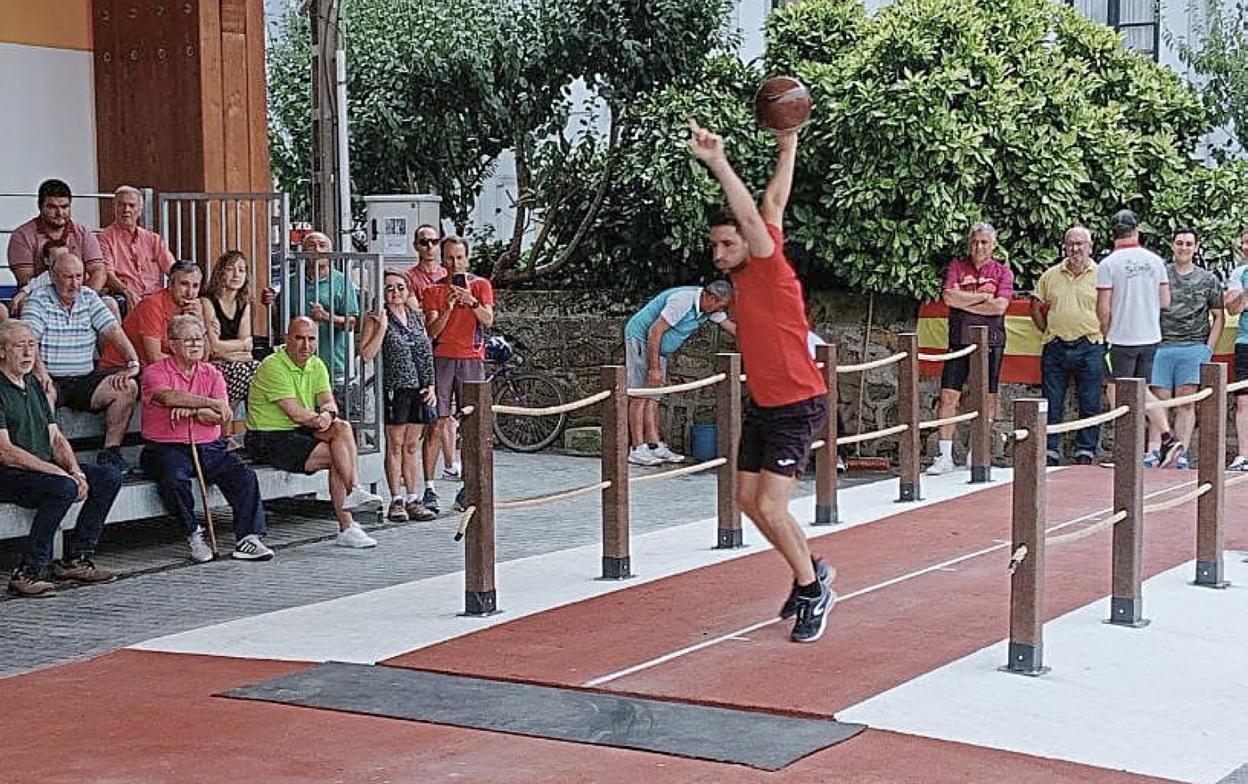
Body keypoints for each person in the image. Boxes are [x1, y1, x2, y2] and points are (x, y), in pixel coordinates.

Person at [689, 118, 834, 644]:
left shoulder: (769, 265)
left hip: (798, 403)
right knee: (748, 502)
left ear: (747, 243)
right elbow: (774, 200)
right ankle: (809, 570)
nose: (718, 255)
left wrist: (718, 162)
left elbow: (753, 212)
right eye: (715, 247)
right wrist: (789, 143)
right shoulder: (755, 256)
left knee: (771, 506)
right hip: (764, 403)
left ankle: (814, 589)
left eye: (727, 245)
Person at [0, 319, 122, 598]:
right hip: (8, 471)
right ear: (2, 351)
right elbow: (5, 451)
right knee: (62, 487)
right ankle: (28, 571)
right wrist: (58, 474)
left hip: (39, 468)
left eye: (32, 346)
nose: (28, 353)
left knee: (107, 477)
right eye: (20, 346)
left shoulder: (33, 384)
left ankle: (76, 558)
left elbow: (55, 436)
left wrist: (75, 470)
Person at [140, 316, 272, 563]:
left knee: (243, 476)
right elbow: (167, 398)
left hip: (210, 446)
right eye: (188, 340)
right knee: (173, 478)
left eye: (199, 339)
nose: (196, 344)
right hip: (166, 446)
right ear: (172, 344)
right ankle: (192, 533)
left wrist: (191, 411)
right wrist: (208, 403)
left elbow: (223, 415)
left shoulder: (212, 373)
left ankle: (249, 537)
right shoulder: (154, 372)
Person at [246, 317, 383, 547]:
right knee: (338, 456)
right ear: (287, 339)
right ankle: (347, 522)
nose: (305, 345)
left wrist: (328, 415)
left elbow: (329, 402)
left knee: (343, 427)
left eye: (311, 339)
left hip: (301, 428)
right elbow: (295, 414)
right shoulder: (272, 365)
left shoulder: (317, 364)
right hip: (268, 436)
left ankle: (354, 493)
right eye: (299, 338)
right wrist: (321, 419)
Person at [24, 253, 141, 472]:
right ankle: (49, 456)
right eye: (68, 277)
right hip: (52, 378)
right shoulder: (38, 299)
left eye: (79, 276)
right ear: (52, 276)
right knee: (42, 392)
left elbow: (114, 330)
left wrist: (132, 361)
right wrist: (40, 372)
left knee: (127, 387)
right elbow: (30, 339)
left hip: (85, 377)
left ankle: (111, 453)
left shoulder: (88, 296)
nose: (75, 283)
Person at [926, 223, 1014, 476]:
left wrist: (967, 302)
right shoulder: (957, 266)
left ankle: (978, 451)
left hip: (991, 342)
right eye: (975, 242)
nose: (979, 247)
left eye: (984, 242)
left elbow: (999, 307)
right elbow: (949, 298)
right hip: (958, 341)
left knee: (986, 397)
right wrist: (982, 298)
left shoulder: (1002, 272)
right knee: (948, 397)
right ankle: (944, 456)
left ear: (993, 245)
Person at [1096, 209, 1182, 466]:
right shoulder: (1155, 261)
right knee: (1142, 389)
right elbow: (1165, 301)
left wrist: (1105, 330)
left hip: (1121, 336)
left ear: (1113, 233)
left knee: (1118, 392)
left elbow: (1103, 307)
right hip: (1150, 335)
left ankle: (1138, 446)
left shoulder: (1108, 264)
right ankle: (1163, 437)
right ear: (1137, 231)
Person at [623, 281, 736, 465]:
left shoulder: (710, 310)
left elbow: (732, 328)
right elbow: (654, 331)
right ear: (710, 297)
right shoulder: (682, 301)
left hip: (659, 349)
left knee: (654, 397)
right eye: (720, 305)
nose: (720, 310)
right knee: (640, 394)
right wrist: (654, 369)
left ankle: (654, 446)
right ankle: (637, 448)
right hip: (642, 340)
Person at [421, 236, 495, 514]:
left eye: (459, 257)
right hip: (441, 357)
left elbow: (488, 320)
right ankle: (429, 487)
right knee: (436, 422)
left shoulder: (481, 285)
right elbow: (432, 332)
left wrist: (472, 302)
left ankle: (468, 486)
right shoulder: (433, 291)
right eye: (449, 258)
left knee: (470, 424)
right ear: (443, 260)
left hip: (472, 358)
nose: (454, 263)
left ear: (467, 258)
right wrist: (450, 306)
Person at [360, 271, 439, 522]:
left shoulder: (416, 317)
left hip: (417, 387)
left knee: (412, 445)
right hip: (395, 386)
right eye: (389, 288)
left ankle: (413, 496)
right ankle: (396, 497)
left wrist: (431, 384)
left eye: (400, 287)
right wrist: (382, 327)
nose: (395, 293)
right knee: (395, 444)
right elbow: (366, 353)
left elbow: (426, 352)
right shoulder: (376, 318)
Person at [1145, 228, 1223, 468]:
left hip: (1193, 347)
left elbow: (1218, 316)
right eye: (1180, 243)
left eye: (1189, 244)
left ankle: (1181, 455)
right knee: (1159, 401)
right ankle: (1154, 451)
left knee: (1186, 403)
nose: (1184, 248)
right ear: (1172, 245)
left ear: (1196, 247)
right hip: (1162, 346)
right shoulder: (1161, 275)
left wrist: (1207, 350)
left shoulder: (1208, 279)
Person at [1030, 226, 1104, 466]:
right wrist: (1049, 332)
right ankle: (1050, 449)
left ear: (1090, 247)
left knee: (1091, 401)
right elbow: (1035, 306)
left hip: (1090, 345)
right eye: (1072, 243)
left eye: (1081, 243)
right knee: (1051, 401)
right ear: (1065, 246)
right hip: (1056, 346)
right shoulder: (1050, 275)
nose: (1076, 248)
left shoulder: (1102, 275)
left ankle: (1086, 450)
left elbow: (1112, 306)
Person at [200, 250, 261, 443]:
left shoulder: (243, 303)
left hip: (233, 361)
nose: (236, 275)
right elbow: (214, 347)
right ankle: (224, 432)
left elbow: (248, 346)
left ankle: (257, 432)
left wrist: (237, 348)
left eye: (242, 270)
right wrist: (239, 346)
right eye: (230, 269)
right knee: (238, 371)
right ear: (220, 272)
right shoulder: (207, 301)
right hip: (211, 362)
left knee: (258, 369)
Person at [98, 261, 203, 369]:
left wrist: (200, 322)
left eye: (195, 286)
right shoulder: (152, 305)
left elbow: (204, 356)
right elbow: (154, 358)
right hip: (120, 369)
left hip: (157, 369)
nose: (190, 293)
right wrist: (189, 365)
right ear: (170, 284)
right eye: (184, 284)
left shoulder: (194, 308)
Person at [6, 178, 104, 288]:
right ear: (40, 206)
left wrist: (87, 298)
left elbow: (98, 271)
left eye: (64, 207)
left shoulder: (83, 234)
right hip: (39, 299)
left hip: (81, 296)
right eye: (52, 207)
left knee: (110, 303)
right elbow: (25, 280)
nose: (60, 213)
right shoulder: (21, 237)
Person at [97, 185, 176, 313]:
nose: (126, 209)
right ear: (115, 208)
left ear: (139, 211)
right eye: (121, 205)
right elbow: (107, 274)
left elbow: (173, 270)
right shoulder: (104, 239)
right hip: (124, 296)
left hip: (155, 296)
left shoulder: (153, 239)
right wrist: (127, 292)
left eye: (131, 205)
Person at [294, 231, 359, 381]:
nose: (317, 249)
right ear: (303, 253)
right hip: (297, 366)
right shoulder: (292, 282)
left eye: (322, 246)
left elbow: (352, 323)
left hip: (334, 366)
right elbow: (280, 320)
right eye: (311, 246)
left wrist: (326, 317)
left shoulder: (342, 282)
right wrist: (270, 304)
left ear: (330, 252)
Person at [1223, 226, 1248, 471]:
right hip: (1245, 342)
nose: (1245, 247)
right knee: (1243, 401)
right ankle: (1244, 455)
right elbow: (1233, 308)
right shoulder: (1240, 272)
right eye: (1244, 242)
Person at [406, 224, 449, 297]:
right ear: (416, 245)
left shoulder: (447, 273)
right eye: (424, 242)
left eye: (434, 242)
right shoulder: (408, 277)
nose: (430, 246)